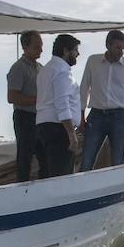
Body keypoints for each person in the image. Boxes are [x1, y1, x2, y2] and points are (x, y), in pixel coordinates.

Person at [79, 29, 124, 171]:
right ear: (108, 45)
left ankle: (118, 193)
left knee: (118, 161)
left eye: (123, 48)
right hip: (96, 115)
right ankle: (82, 191)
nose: (121, 51)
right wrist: (81, 117)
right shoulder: (93, 61)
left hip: (119, 116)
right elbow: (84, 89)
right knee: (87, 159)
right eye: (117, 47)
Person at [35, 34, 81, 179]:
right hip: (58, 129)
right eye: (75, 50)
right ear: (66, 50)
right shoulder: (61, 71)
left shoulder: (45, 70)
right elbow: (62, 104)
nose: (77, 54)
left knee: (47, 173)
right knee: (61, 176)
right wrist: (71, 135)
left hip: (43, 126)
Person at [7, 30, 43, 182]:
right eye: (36, 47)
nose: (41, 50)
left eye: (41, 46)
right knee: (24, 158)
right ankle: (22, 190)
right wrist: (38, 99)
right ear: (25, 47)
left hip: (40, 117)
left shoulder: (40, 67)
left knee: (44, 156)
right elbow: (12, 97)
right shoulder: (18, 68)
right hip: (24, 117)